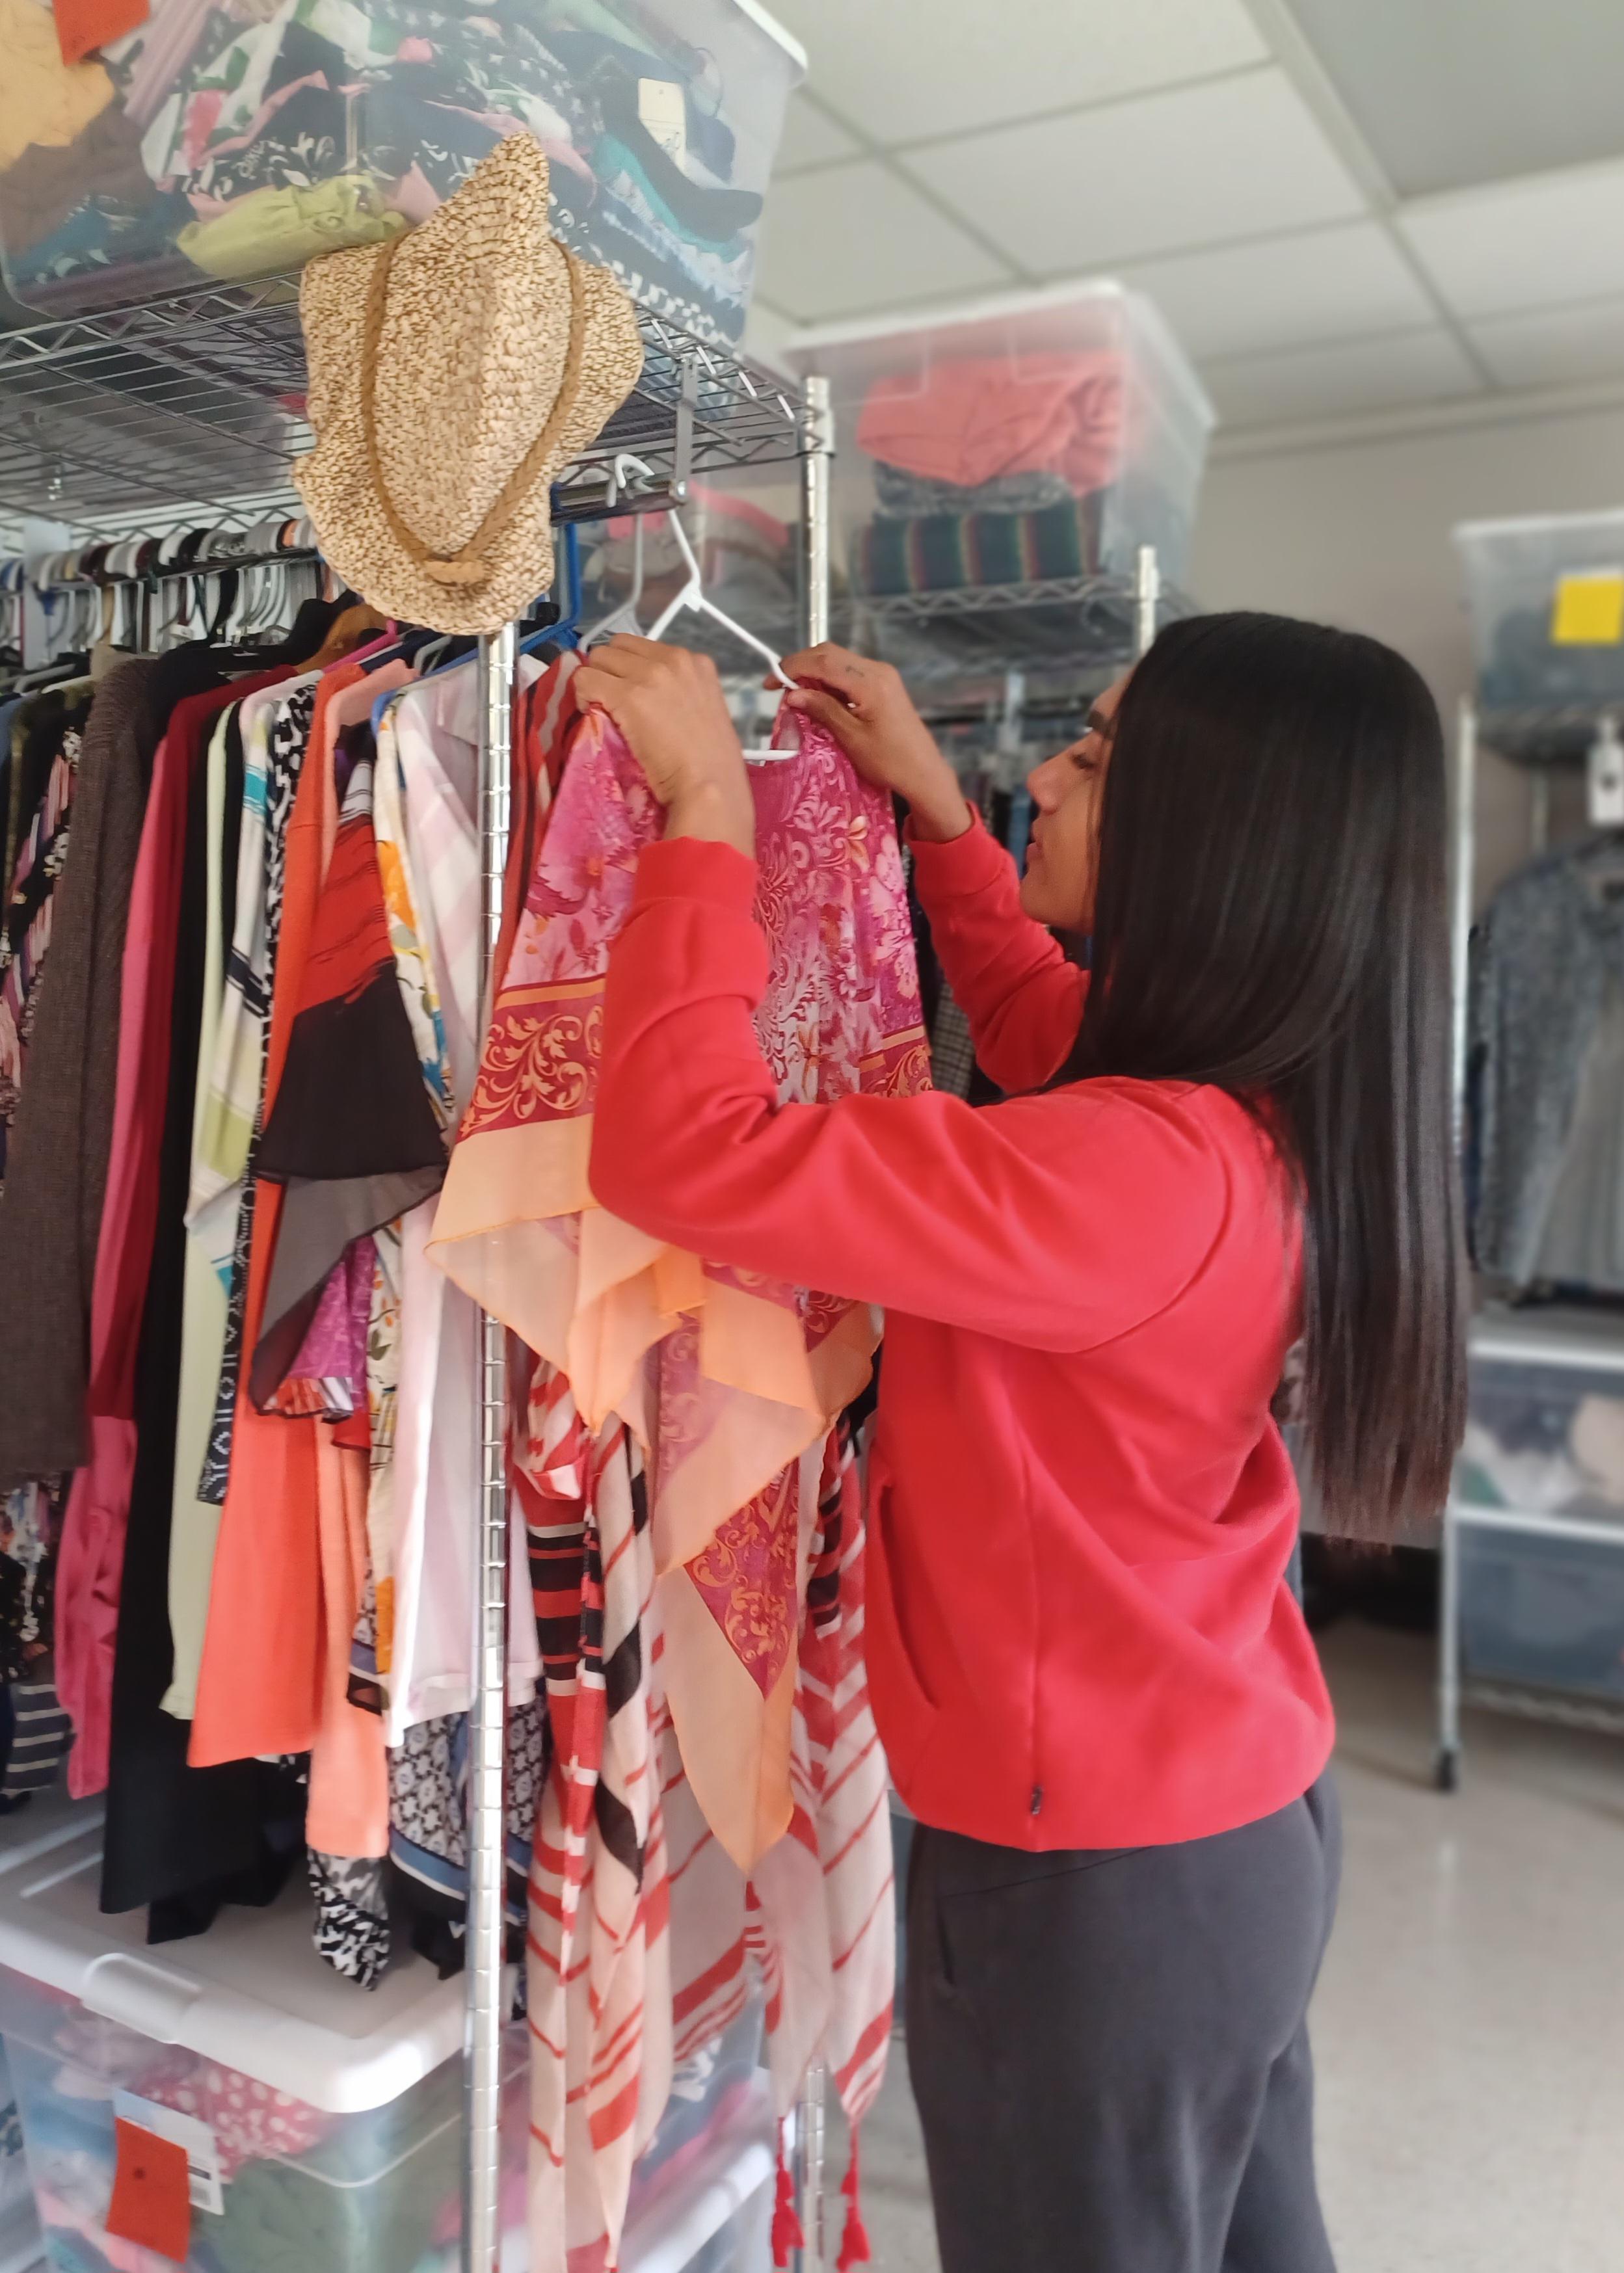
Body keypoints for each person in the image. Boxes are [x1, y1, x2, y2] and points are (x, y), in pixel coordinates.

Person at [574, 611, 1467, 2273]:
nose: (1043, 771)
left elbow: (679, 1153)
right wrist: (936, 820)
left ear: (1220, 843)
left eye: (1098, 757)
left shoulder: (1124, 1177)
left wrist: (705, 821)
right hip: (1224, 1825)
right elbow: (1047, 1025)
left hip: (1099, 1895)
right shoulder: (1242, 1120)